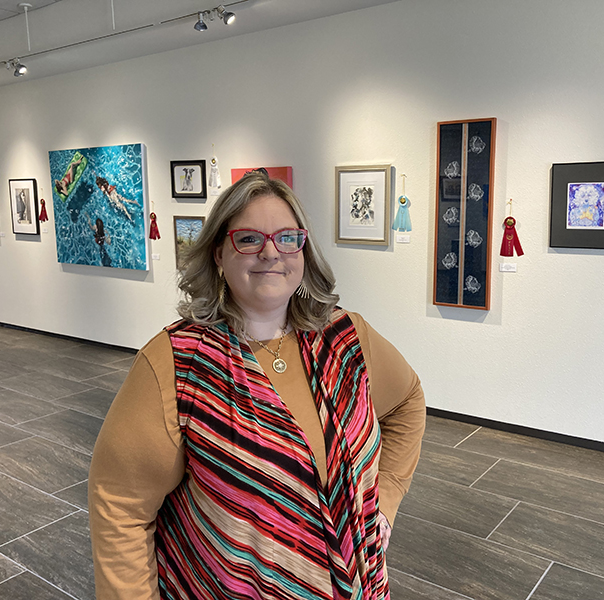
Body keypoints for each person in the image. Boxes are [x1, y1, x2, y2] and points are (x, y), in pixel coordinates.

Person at [89, 169, 425, 600]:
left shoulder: (346, 338)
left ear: (304, 249)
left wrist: (386, 504)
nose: (272, 252)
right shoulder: (177, 363)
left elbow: (407, 402)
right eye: (249, 239)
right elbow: (120, 506)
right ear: (217, 254)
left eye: (287, 237)